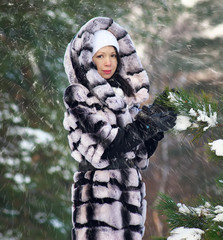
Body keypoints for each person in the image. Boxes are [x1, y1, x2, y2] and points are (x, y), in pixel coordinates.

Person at [63, 17, 176, 240]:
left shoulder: (123, 101)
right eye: (100, 56)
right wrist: (147, 123)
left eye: (113, 55)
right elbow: (109, 147)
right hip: (98, 202)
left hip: (129, 201)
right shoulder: (79, 97)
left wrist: (158, 127)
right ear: (87, 59)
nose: (108, 62)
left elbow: (138, 154)